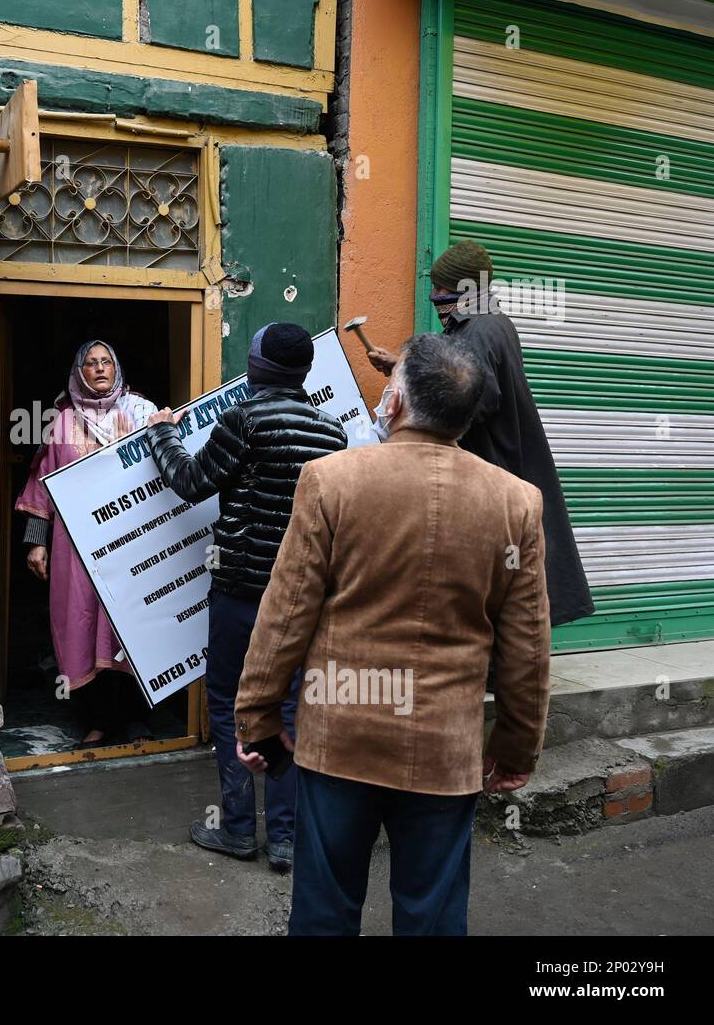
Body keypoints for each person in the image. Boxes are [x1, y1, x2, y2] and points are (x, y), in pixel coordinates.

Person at [236, 334, 552, 935]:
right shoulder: (516, 503)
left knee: (325, 914)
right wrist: (516, 748)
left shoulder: (331, 480)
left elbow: (285, 614)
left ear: (399, 401)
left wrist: (256, 716)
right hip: (443, 748)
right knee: (431, 917)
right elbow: (527, 648)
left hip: (340, 738)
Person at [146, 323, 346, 873]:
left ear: (256, 368)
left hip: (239, 589)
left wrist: (162, 432)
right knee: (286, 706)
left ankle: (237, 829)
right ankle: (284, 838)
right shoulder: (332, 434)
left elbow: (191, 481)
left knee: (231, 701)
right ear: (303, 372)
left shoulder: (245, 419)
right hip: (301, 597)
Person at [365, 239, 593, 627]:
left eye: (441, 289)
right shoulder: (492, 322)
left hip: (490, 470)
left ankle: (489, 666)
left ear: (465, 289)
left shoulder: (477, 331)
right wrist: (404, 366)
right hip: (501, 468)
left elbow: (474, 398)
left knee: (489, 581)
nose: (435, 297)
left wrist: (414, 424)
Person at [15, 340, 158, 749]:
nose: (99, 369)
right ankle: (97, 722)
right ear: (80, 371)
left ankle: (134, 721)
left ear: (117, 369)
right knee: (79, 626)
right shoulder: (62, 422)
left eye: (106, 362)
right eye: (91, 363)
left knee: (128, 628)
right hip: (75, 547)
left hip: (130, 540)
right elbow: (41, 484)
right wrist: (36, 543)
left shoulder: (138, 412)